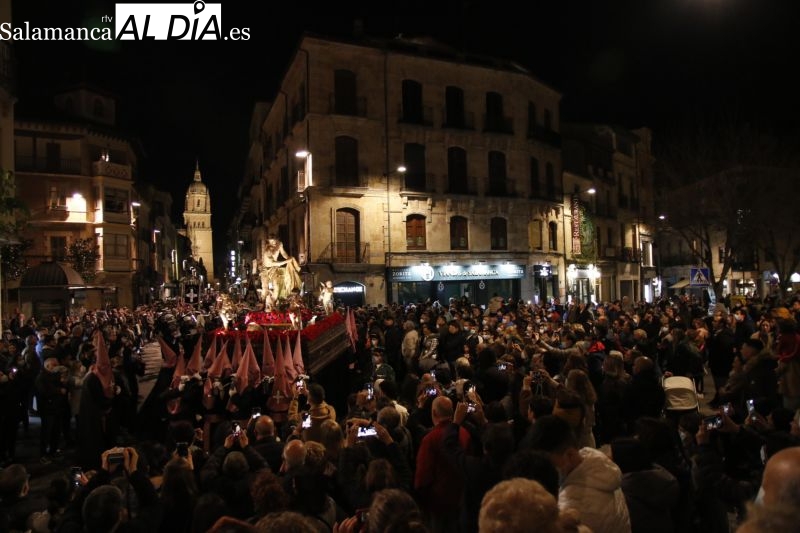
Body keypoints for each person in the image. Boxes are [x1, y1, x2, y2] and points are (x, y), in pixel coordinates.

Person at [529, 414, 631, 533]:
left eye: (549, 463)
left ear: (570, 455)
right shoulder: (595, 462)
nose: (545, 469)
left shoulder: (572, 507)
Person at [259, 236, 301, 301]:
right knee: (265, 287)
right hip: (265, 269)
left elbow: (283, 253)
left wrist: (289, 258)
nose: (274, 243)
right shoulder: (267, 252)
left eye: (275, 241)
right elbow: (273, 262)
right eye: (272, 242)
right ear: (269, 244)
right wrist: (287, 261)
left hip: (274, 269)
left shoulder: (279, 244)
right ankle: (263, 301)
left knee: (276, 286)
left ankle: (274, 301)